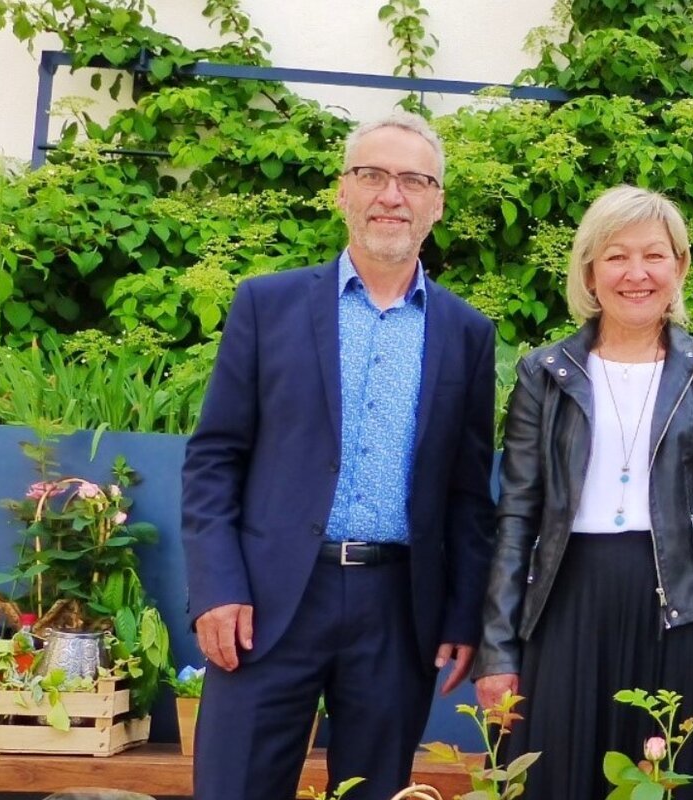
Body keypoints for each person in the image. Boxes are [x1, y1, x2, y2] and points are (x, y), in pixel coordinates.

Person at [182, 112, 496, 799]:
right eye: (372, 175)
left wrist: (461, 613)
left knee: (374, 790)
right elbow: (215, 458)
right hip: (265, 604)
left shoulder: (467, 333)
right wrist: (216, 587)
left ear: (437, 203)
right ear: (342, 191)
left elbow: (469, 493)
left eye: (414, 181)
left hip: (397, 609)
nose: (392, 195)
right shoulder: (266, 305)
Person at [474, 185, 693, 800]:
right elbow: (516, 516)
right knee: (558, 778)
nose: (637, 274)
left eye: (654, 255)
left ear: (679, 267)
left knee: (668, 778)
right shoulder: (543, 373)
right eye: (617, 256)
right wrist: (497, 649)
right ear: (590, 271)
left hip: (677, 612)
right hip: (565, 606)